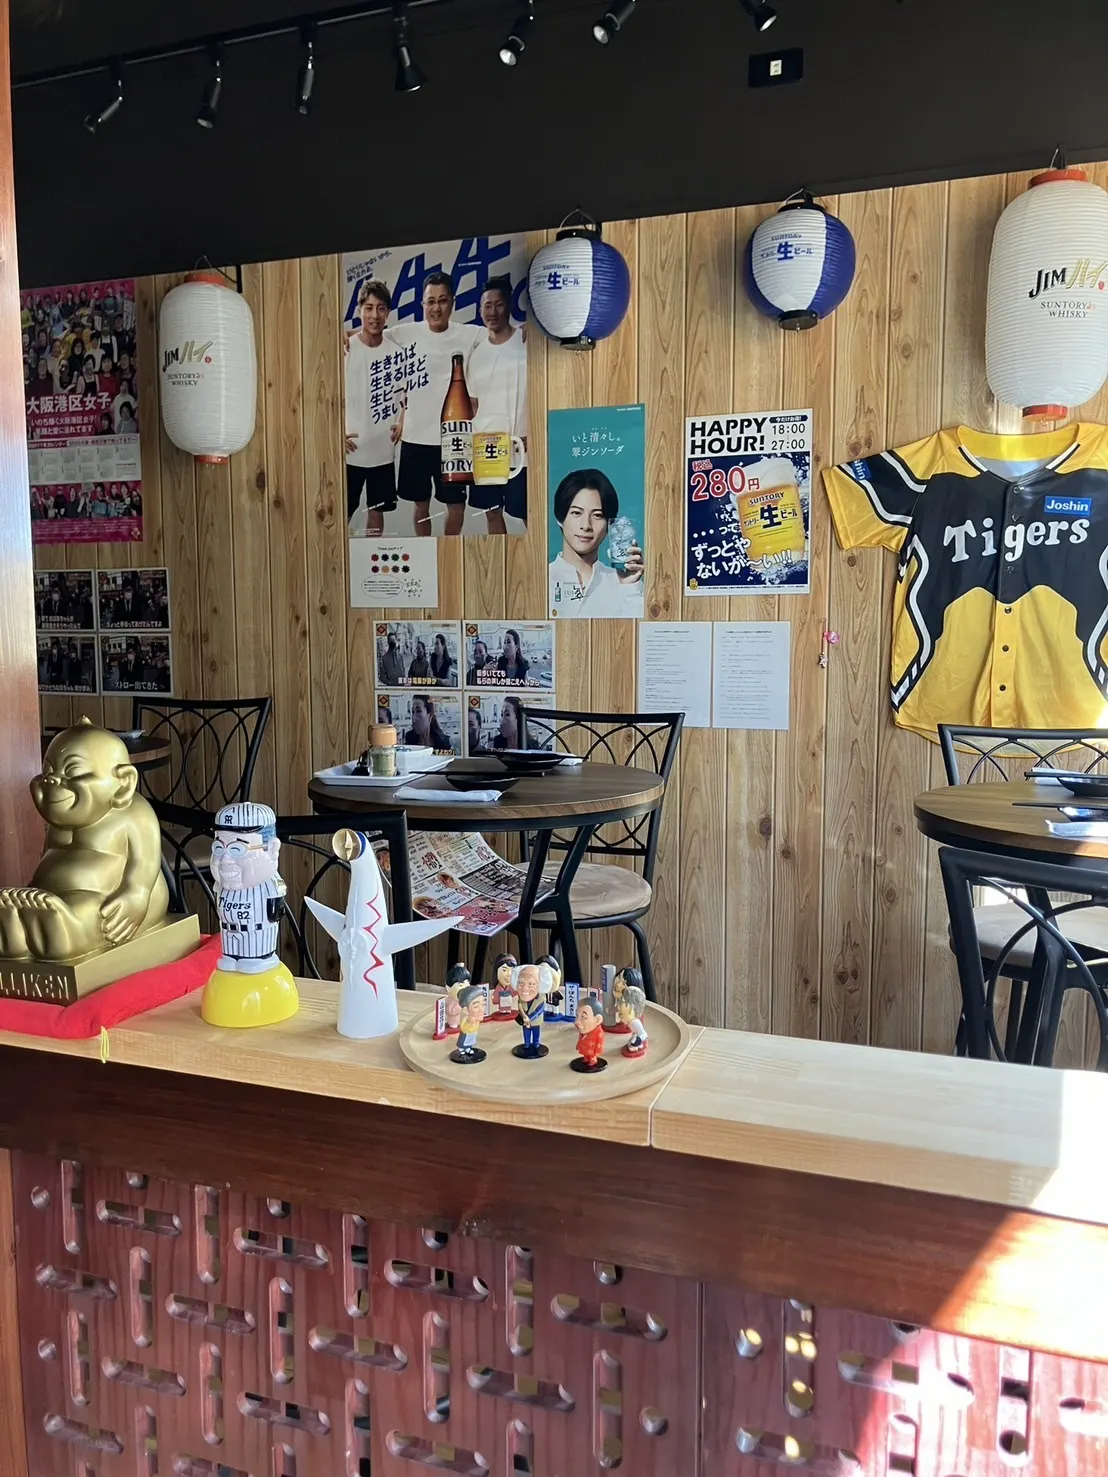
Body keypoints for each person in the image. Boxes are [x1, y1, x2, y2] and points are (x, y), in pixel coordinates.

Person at [390, 271, 481, 538]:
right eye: (430, 301)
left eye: (442, 301)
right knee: (421, 504)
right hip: (416, 437)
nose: (436, 308)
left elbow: (505, 334)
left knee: (457, 505)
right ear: (422, 304)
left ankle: (448, 550)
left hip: (453, 438)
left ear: (452, 302)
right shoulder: (406, 332)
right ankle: (425, 550)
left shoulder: (469, 333)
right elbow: (367, 335)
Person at [467, 276, 528, 534]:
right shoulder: (476, 354)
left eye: (499, 304)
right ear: (480, 310)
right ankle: (500, 558)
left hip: (521, 444)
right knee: (492, 513)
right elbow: (473, 405)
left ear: (509, 306)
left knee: (528, 513)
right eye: (487, 306)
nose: (492, 312)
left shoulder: (525, 341)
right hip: (487, 446)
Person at [345, 279, 400, 537]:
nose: (374, 315)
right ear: (359, 311)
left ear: (388, 313)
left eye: (380, 308)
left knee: (377, 514)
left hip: (382, 452)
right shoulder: (345, 349)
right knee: (343, 511)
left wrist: (402, 421)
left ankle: (372, 556)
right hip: (350, 452)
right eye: (368, 308)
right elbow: (329, 397)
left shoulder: (396, 352)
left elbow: (407, 397)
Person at [549, 469, 644, 618]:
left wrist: (630, 586)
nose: (586, 525)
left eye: (597, 515)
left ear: (609, 524)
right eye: (576, 513)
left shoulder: (623, 582)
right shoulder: (541, 579)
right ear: (560, 518)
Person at [512, 962, 547, 1059]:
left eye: (531, 984)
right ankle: (527, 1044)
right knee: (526, 1033)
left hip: (535, 1021)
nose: (525, 988)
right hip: (525, 1021)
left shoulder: (541, 999)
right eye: (521, 983)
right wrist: (524, 1017)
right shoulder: (521, 998)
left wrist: (529, 1018)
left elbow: (539, 1010)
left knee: (536, 1033)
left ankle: (536, 1044)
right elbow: (520, 1008)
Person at [449, 984, 487, 1064]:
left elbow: (477, 1025)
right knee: (464, 1041)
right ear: (466, 1009)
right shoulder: (465, 1018)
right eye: (476, 1006)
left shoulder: (475, 1018)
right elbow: (463, 1028)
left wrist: (476, 1022)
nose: (481, 1009)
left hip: (473, 1032)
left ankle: (468, 1048)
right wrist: (470, 1022)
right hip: (466, 1033)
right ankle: (462, 1049)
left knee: (471, 1041)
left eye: (483, 1005)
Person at [573, 997, 607, 1072]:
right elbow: (580, 1039)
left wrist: (597, 1052)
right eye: (577, 1016)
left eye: (583, 1017)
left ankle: (592, 1061)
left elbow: (599, 1043)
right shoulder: (583, 1031)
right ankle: (586, 1059)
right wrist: (578, 1045)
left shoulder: (599, 1032)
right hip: (585, 1048)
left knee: (591, 1057)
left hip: (592, 1051)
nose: (576, 1022)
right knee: (586, 1055)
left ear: (597, 1020)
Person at [616, 983, 649, 1057]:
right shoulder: (630, 1021)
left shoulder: (635, 1022)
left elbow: (642, 1033)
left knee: (634, 1042)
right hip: (635, 1034)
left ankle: (637, 1045)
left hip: (639, 1037)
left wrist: (638, 1041)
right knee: (632, 1040)